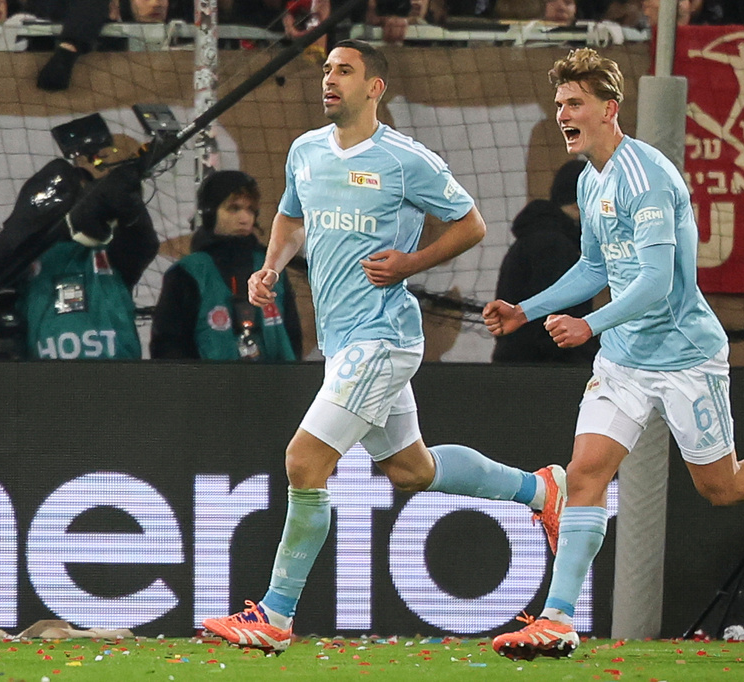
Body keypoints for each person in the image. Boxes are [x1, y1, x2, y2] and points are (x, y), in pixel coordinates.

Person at [483, 47, 744, 660]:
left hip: (683, 358)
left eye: (575, 103)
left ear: (609, 109)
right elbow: (595, 264)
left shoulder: (648, 177)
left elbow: (655, 285)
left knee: (721, 486)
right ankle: (559, 618)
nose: (563, 113)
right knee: (586, 473)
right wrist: (525, 309)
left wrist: (590, 324)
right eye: (559, 103)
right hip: (623, 358)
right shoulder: (592, 180)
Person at [201, 39, 567, 652]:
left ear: (375, 88)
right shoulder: (305, 150)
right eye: (326, 70)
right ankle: (541, 489)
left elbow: (472, 224)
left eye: (343, 71)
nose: (329, 80)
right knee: (410, 470)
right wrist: (270, 267)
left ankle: (274, 615)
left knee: (303, 461)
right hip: (343, 342)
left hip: (383, 338)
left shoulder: (405, 159)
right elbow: (292, 218)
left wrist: (411, 263)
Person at [0, 138, 157, 360]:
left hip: (117, 385)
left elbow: (143, 243)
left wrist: (129, 205)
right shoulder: (22, 259)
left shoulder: (111, 251)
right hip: (47, 387)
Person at [150, 170, 302, 361]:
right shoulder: (187, 273)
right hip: (210, 387)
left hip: (275, 386)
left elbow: (293, 336)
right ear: (210, 212)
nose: (244, 218)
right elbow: (168, 345)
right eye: (234, 208)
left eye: (250, 210)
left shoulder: (271, 269)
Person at [492, 159, 596, 364]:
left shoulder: (539, 238)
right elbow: (552, 318)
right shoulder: (553, 246)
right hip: (542, 374)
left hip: (523, 367)